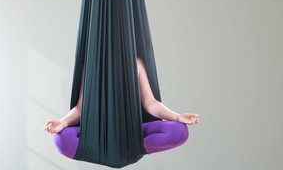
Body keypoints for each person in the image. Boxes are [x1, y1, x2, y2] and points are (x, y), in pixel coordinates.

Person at [44, 58, 199, 158]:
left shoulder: (136, 63)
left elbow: (151, 103)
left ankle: (130, 147)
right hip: (98, 134)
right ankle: (107, 149)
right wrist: (62, 123)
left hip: (132, 133)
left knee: (179, 131)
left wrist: (178, 117)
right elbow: (81, 107)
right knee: (61, 139)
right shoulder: (91, 63)